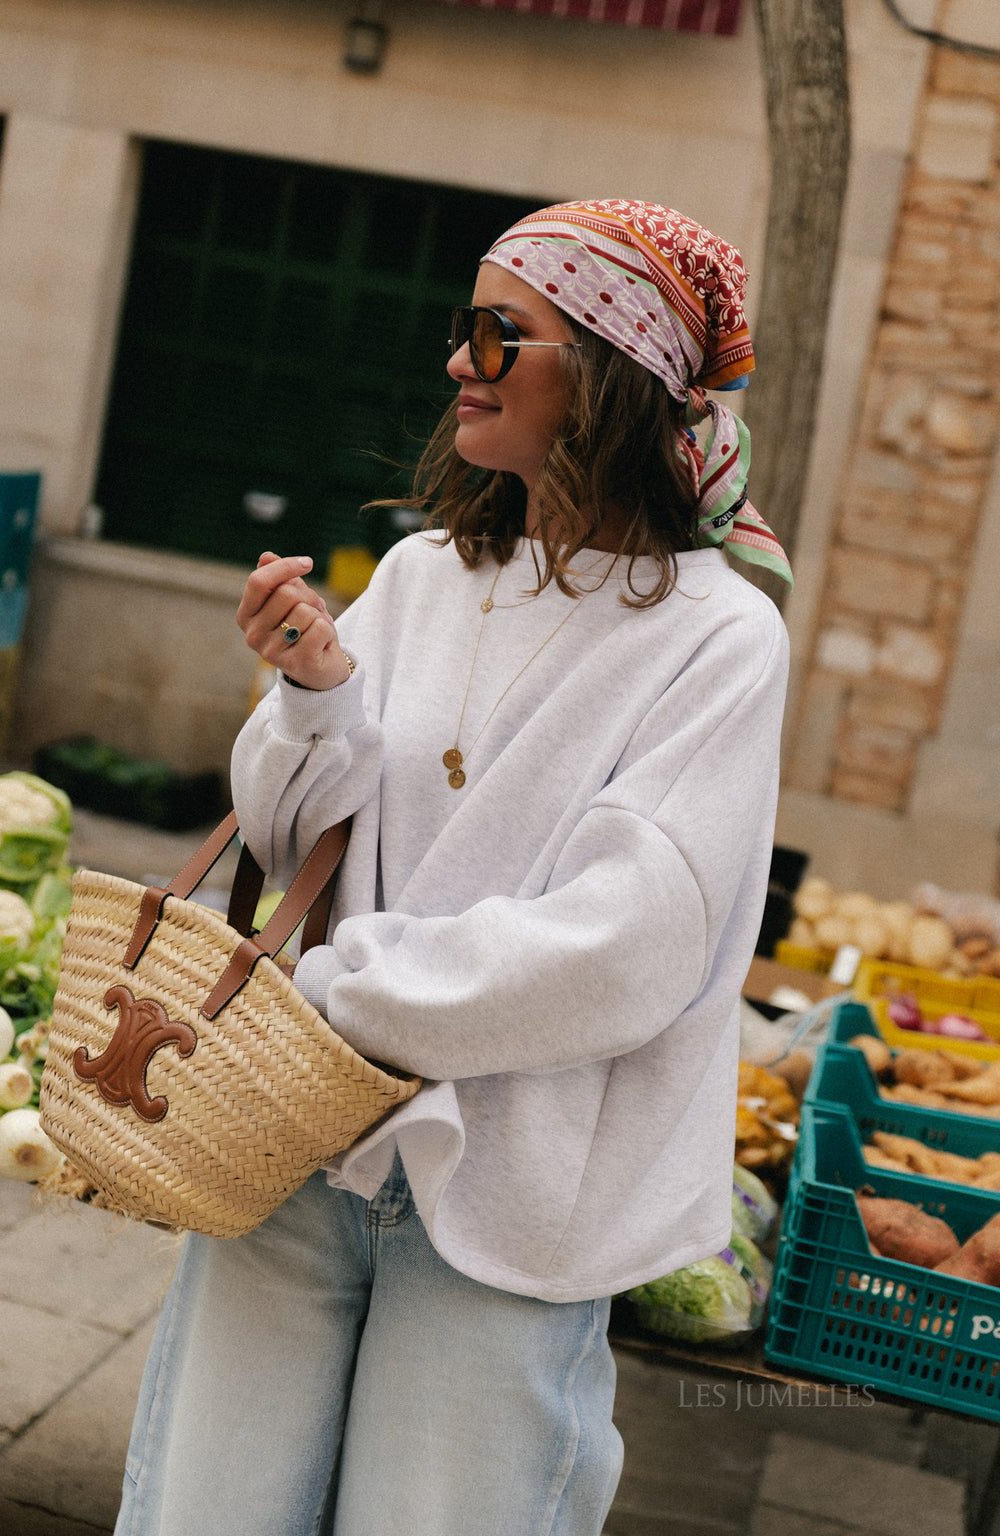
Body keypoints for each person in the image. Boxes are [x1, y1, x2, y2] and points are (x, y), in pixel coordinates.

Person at [114, 198, 792, 1536]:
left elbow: (632, 944)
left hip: (518, 1188)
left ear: (609, 368)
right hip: (298, 1148)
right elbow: (282, 829)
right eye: (462, 329)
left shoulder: (718, 640)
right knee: (208, 1514)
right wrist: (312, 698)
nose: (457, 361)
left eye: (501, 332)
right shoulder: (427, 575)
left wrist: (338, 991)